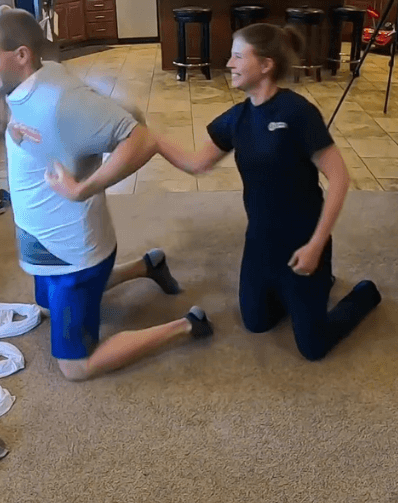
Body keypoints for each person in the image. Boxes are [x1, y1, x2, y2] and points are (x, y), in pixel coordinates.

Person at [0, 9, 213, 382]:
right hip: (43, 246)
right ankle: (146, 266)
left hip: (72, 254)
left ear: (21, 55)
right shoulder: (33, 79)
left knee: (74, 366)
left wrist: (84, 187)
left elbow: (142, 139)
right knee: (46, 305)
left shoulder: (60, 101)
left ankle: (187, 325)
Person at [156, 24, 380, 361]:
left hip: (304, 244)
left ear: (266, 64)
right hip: (260, 243)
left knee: (313, 346)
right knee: (256, 323)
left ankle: (364, 293)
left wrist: (316, 246)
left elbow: (340, 178)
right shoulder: (238, 118)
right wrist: (153, 140)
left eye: (237, 56)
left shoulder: (298, 113)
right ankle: (310, 289)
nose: (228, 63)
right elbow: (197, 164)